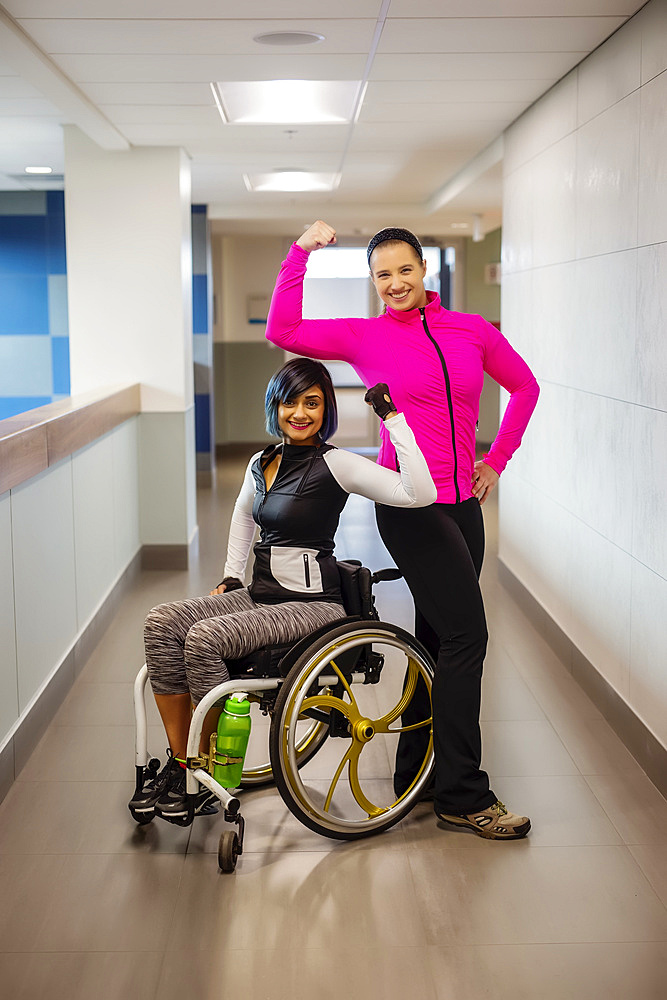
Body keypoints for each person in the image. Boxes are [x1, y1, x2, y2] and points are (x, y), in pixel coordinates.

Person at [264, 221, 540, 840]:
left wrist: (496, 459)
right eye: (382, 275)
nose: (395, 283)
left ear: (424, 271)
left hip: (465, 505)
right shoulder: (365, 339)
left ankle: (418, 773)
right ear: (373, 282)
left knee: (441, 635)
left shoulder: (470, 330)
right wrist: (300, 253)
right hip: (408, 505)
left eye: (404, 270)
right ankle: (464, 795)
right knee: (469, 633)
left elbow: (525, 387)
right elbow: (283, 331)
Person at [129, 357, 436, 823]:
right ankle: (181, 762)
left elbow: (419, 492)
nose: (300, 413)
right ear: (274, 406)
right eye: (289, 401)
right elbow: (244, 517)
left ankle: (211, 769)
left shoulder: (337, 464)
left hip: (315, 606)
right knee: (161, 623)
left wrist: (394, 421)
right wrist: (232, 576)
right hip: (263, 592)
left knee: (205, 639)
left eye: (312, 403)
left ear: (326, 409)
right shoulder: (262, 461)